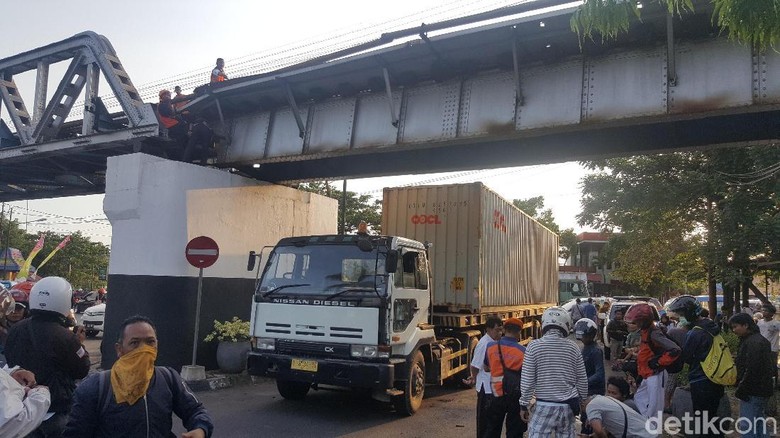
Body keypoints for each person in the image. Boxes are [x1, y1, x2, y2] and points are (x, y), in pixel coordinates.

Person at [63, 315, 214, 438]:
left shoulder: (168, 378)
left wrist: (200, 429)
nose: (144, 350)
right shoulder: (96, 387)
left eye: (150, 342)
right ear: (119, 349)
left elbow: (195, 411)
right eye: (135, 343)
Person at [5, 277, 90, 437]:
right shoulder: (65, 336)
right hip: (54, 409)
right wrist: (79, 344)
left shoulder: (15, 330)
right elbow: (82, 370)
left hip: (19, 406)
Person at [519, 306, 587, 438]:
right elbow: (582, 379)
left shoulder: (534, 346)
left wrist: (523, 404)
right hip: (568, 406)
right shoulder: (573, 347)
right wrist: (582, 401)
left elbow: (527, 381)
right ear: (566, 325)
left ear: (544, 323)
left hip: (544, 406)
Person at [668, 295, 724, 438]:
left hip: (701, 380)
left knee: (702, 418)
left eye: (681, 315)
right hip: (715, 377)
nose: (680, 318)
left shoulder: (696, 333)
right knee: (712, 416)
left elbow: (686, 357)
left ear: (689, 313)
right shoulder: (712, 327)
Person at [624, 302, 680, 422]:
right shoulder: (646, 332)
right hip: (648, 374)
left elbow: (675, 350)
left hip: (656, 374)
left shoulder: (654, 333)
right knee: (639, 399)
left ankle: (652, 431)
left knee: (655, 407)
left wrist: (658, 362)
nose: (635, 324)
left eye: (637, 321)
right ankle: (646, 426)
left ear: (644, 320)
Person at [729, 313, 773, 438]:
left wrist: (742, 388)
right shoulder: (758, 340)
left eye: (735, 326)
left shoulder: (753, 342)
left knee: (747, 424)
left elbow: (752, 369)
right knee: (759, 421)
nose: (734, 330)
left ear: (746, 325)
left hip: (752, 390)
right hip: (761, 389)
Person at [483, 318, 526, 438]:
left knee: (492, 429)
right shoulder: (523, 352)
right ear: (519, 332)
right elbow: (526, 376)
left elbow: (486, 368)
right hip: (515, 397)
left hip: (496, 395)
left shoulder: (491, 347)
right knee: (514, 432)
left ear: (504, 330)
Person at [463, 317, 503, 438]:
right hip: (486, 390)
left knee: (494, 425)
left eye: (501, 330)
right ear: (488, 329)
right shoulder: (484, 344)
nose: (500, 333)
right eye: (497, 330)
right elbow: (475, 365)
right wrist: (473, 378)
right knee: (485, 426)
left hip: (495, 390)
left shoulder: (495, 342)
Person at [582, 394, 656, 438]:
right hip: (649, 432)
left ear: (582, 404)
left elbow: (598, 430)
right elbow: (608, 429)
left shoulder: (591, 405)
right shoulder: (604, 399)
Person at [575, 319, 605, 396]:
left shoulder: (595, 351)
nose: (583, 339)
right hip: (587, 387)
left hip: (594, 389)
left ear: (591, 335)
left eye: (585, 336)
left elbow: (599, 374)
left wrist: (583, 382)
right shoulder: (585, 348)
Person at [157, 89, 188, 154]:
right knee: (181, 133)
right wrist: (174, 116)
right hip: (171, 124)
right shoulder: (162, 105)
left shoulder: (169, 104)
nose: (167, 96)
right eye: (165, 95)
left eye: (168, 95)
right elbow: (166, 113)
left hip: (172, 124)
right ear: (161, 97)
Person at [756, 304, 780, 386]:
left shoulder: (776, 323)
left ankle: (775, 383)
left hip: (772, 348)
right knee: (762, 365)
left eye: (766, 311)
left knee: (772, 366)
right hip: (761, 348)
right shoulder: (759, 322)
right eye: (762, 310)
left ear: (772, 313)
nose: (763, 312)